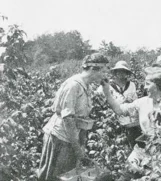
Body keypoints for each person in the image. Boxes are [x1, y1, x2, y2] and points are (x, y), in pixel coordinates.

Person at [37, 53, 113, 181]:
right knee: (54, 175)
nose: (105, 75)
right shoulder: (74, 85)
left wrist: (80, 144)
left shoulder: (86, 85)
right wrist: (77, 148)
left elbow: (81, 117)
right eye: (104, 71)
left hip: (71, 138)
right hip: (60, 137)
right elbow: (68, 119)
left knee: (68, 174)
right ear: (93, 69)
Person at [101, 66, 161, 180]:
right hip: (142, 148)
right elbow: (119, 110)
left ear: (158, 85)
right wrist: (107, 93)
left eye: (148, 84)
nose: (145, 87)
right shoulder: (143, 102)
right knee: (125, 176)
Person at [96, 60, 140, 147]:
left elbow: (135, 102)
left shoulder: (132, 85)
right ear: (115, 72)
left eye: (123, 71)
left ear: (126, 72)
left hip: (130, 121)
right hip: (113, 120)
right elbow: (98, 98)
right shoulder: (108, 85)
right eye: (119, 71)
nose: (121, 73)